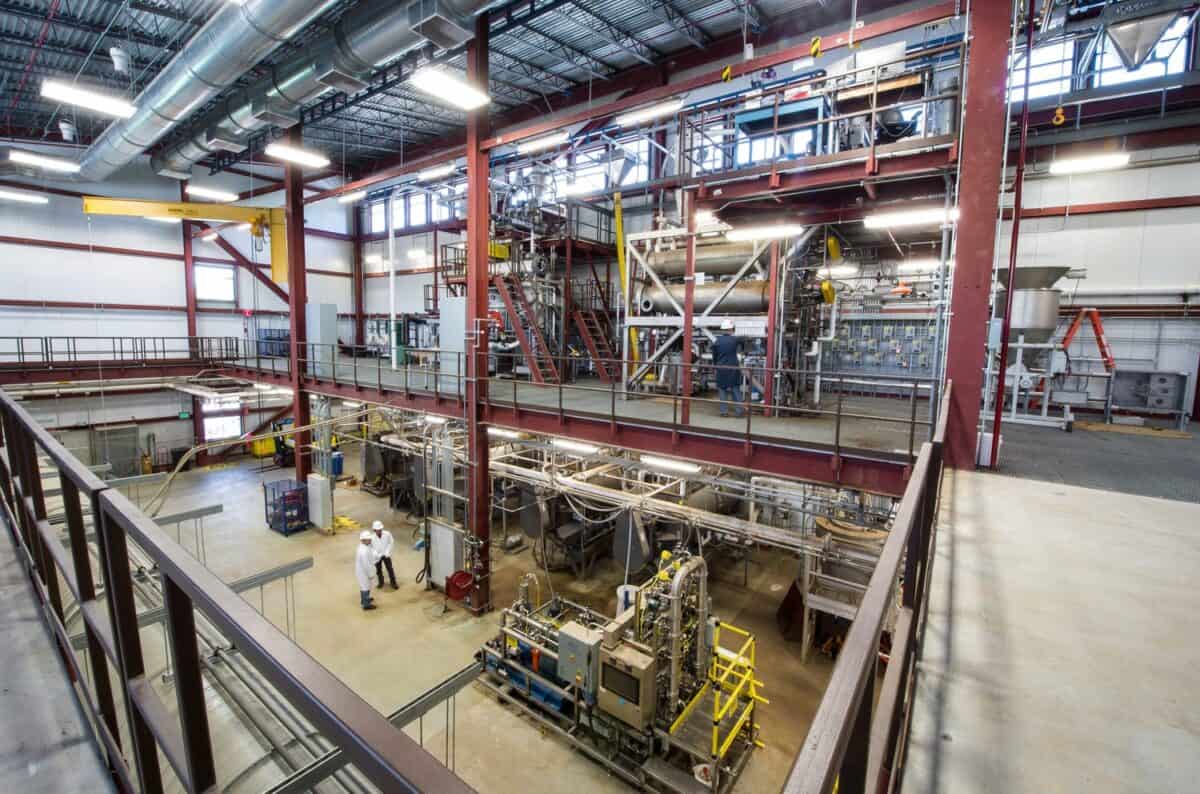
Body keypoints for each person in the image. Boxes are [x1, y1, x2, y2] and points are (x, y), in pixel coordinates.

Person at [711, 319, 745, 417]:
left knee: (722, 390)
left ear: (723, 329)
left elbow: (714, 357)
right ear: (731, 329)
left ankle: (724, 412)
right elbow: (743, 340)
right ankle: (739, 411)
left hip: (721, 368)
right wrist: (743, 350)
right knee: (735, 389)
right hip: (733, 367)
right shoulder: (735, 340)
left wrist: (715, 366)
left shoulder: (717, 341)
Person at [371, 520, 398, 590]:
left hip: (386, 554)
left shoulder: (387, 534)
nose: (379, 531)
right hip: (377, 556)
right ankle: (381, 582)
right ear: (374, 530)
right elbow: (371, 548)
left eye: (380, 529)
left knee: (390, 568)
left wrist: (387, 552)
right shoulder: (371, 538)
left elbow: (391, 542)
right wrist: (377, 554)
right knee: (378, 570)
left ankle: (393, 583)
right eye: (378, 530)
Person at [355, 531, 377, 610]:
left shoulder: (363, 546)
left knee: (365, 586)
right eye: (368, 539)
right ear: (363, 540)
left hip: (362, 571)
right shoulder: (363, 551)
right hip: (364, 572)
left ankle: (364, 600)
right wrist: (371, 574)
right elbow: (366, 565)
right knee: (365, 587)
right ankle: (366, 605)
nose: (370, 540)